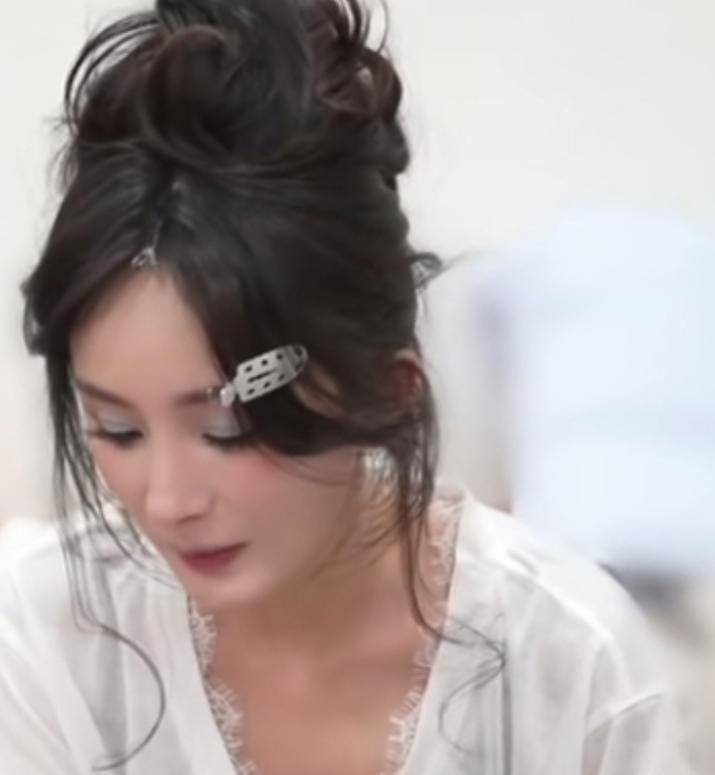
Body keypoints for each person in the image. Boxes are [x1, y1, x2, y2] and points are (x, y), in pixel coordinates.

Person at [1, 1, 687, 773]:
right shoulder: (44, 634)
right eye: (116, 428)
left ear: (385, 389)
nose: (167, 500)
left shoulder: (566, 661)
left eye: (226, 431)